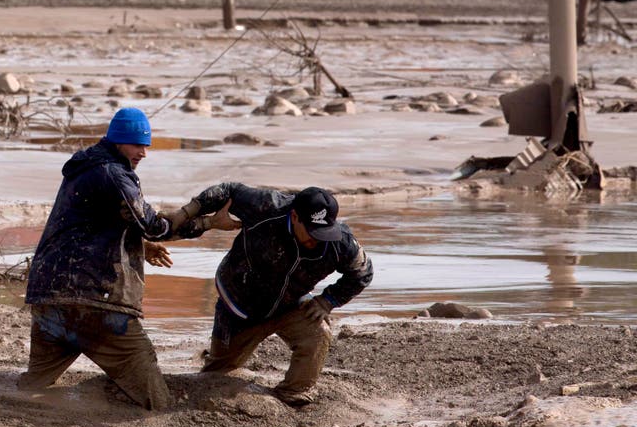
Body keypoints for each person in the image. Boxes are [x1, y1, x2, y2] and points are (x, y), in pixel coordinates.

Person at [20, 108, 232, 410]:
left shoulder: (84, 167)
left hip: (48, 296)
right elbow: (155, 226)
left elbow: (86, 228)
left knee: (32, 387)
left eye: (146, 145)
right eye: (137, 145)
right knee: (156, 401)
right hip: (94, 301)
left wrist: (140, 247)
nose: (143, 153)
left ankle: (11, 410)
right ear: (119, 141)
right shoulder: (114, 175)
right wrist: (206, 221)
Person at [164, 183, 373, 406]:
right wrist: (186, 212)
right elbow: (227, 190)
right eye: (312, 232)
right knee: (217, 374)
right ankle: (215, 359)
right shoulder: (266, 207)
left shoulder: (341, 243)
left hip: (291, 303)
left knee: (318, 332)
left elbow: (362, 273)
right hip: (238, 306)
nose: (317, 239)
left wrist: (328, 300)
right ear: (294, 217)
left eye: (323, 232)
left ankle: (293, 393)